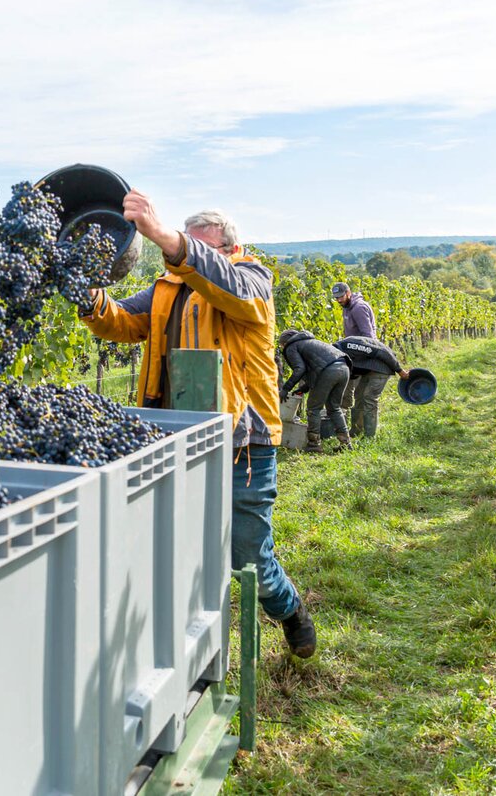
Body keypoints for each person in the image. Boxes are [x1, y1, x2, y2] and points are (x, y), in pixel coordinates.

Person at [79, 195, 315, 659]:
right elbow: (121, 322)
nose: (192, 258)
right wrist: (87, 294)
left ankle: (288, 608)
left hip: (243, 439)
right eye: (190, 248)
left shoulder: (252, 280)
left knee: (247, 554)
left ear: (229, 249)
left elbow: (222, 283)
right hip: (173, 434)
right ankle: (184, 645)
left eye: (202, 249)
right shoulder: (167, 289)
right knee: (173, 545)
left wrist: (169, 240)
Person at [278, 330, 352, 453]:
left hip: (329, 371)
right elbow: (317, 365)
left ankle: (314, 445)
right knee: (334, 408)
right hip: (344, 368)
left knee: (313, 408)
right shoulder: (310, 342)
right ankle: (346, 443)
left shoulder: (291, 346)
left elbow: (299, 369)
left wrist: (286, 389)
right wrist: (304, 387)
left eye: (281, 346)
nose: (282, 348)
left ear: (285, 343)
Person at [334, 335, 410, 439]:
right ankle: (356, 430)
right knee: (359, 396)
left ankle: (369, 436)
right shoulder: (339, 354)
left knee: (369, 398)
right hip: (369, 370)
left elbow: (382, 352)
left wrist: (400, 371)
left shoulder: (349, 345)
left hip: (382, 367)